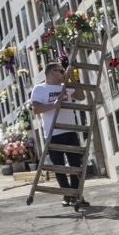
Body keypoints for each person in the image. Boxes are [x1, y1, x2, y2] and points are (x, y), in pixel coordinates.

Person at [30, 62, 83, 207]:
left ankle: (76, 194)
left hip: (70, 130)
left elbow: (81, 96)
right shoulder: (39, 88)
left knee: (75, 165)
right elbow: (36, 109)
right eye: (61, 71)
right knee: (58, 167)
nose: (63, 73)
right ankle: (66, 195)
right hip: (53, 133)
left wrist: (71, 78)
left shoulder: (65, 86)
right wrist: (54, 104)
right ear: (52, 72)